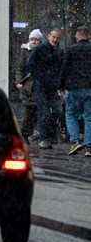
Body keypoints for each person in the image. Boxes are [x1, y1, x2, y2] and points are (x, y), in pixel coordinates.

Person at [27, 27, 64, 149]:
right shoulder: (40, 49)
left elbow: (60, 68)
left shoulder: (59, 51)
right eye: (54, 37)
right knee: (43, 112)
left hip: (53, 86)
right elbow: (29, 64)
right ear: (49, 36)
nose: (55, 39)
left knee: (58, 111)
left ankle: (47, 132)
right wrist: (40, 76)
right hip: (41, 86)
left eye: (58, 37)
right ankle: (44, 138)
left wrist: (59, 82)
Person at [59, 26, 91, 157]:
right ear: (88, 36)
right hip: (90, 88)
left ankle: (75, 141)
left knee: (70, 114)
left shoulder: (71, 49)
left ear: (77, 36)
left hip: (75, 88)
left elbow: (64, 69)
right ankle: (88, 147)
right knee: (89, 118)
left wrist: (60, 85)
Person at [14, 29, 43, 141]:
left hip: (40, 84)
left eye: (36, 39)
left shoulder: (43, 51)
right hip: (28, 86)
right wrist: (18, 81)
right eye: (32, 39)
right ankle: (25, 133)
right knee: (30, 109)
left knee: (38, 110)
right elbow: (20, 68)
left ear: (40, 41)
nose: (34, 41)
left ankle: (32, 133)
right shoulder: (25, 51)